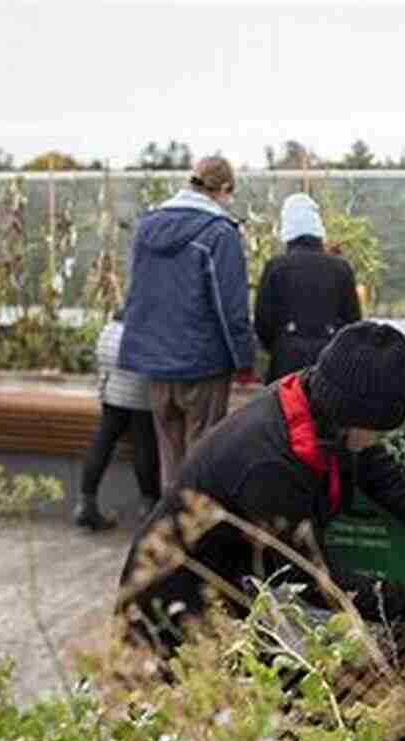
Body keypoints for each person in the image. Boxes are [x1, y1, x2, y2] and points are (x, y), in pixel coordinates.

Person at [117, 321, 405, 657]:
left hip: (226, 585)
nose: (381, 439)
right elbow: (309, 578)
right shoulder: (271, 464)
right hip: (169, 605)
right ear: (352, 417)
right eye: (379, 430)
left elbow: (385, 477)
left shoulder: (319, 408)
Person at [118, 155, 255, 492]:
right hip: (202, 363)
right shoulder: (219, 233)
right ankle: (197, 536)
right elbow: (231, 307)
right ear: (223, 189)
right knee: (204, 455)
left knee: (171, 458)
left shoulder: (148, 227)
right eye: (229, 193)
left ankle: (170, 531)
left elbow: (137, 291)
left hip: (156, 364)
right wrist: (244, 359)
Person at [254, 193, 362, 384]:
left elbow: (263, 320)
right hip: (329, 356)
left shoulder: (276, 267)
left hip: (286, 358)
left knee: (285, 410)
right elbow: (352, 319)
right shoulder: (340, 268)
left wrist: (279, 345)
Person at [73, 309, 161, 531]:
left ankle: (86, 503)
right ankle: (149, 509)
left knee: (106, 432)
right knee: (143, 437)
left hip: (112, 339)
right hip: (138, 344)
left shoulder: (139, 285)